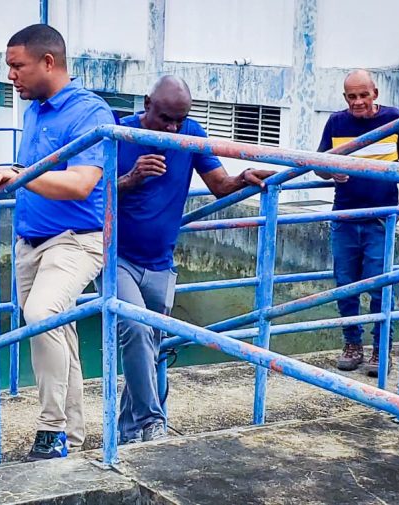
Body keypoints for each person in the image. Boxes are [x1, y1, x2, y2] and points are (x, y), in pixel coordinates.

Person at [0, 24, 115, 461]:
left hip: (76, 240)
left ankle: (51, 427)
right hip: (32, 241)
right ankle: (71, 436)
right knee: (56, 331)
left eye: (17, 66)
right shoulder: (34, 109)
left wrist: (21, 176)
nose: (10, 75)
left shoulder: (91, 112)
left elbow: (81, 183)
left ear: (48, 62)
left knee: (41, 315)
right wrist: (8, 174)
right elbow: (33, 173)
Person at [114, 76, 275, 444]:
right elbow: (90, 193)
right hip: (116, 257)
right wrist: (131, 178)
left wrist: (243, 178)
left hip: (160, 261)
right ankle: (154, 422)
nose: (172, 128)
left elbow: (218, 183)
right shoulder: (118, 134)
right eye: (166, 118)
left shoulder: (190, 131)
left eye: (179, 120)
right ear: (146, 103)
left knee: (150, 347)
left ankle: (127, 433)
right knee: (136, 331)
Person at [315, 69, 399, 376]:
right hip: (343, 216)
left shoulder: (394, 119)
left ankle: (380, 349)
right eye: (351, 96)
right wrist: (332, 172)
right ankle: (351, 344)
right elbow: (319, 166)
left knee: (380, 285)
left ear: (375, 94)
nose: (357, 102)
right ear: (345, 98)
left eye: (363, 95)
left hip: (381, 219)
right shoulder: (336, 122)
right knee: (345, 285)